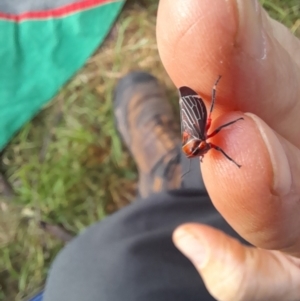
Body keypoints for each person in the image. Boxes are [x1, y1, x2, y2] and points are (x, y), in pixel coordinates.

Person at [43, 0, 300, 300]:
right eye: (200, 150)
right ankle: (172, 179)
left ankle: (170, 179)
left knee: (84, 272)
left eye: (199, 150)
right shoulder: (203, 147)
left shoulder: (203, 141)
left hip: (199, 127)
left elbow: (214, 126)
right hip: (201, 138)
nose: (204, 151)